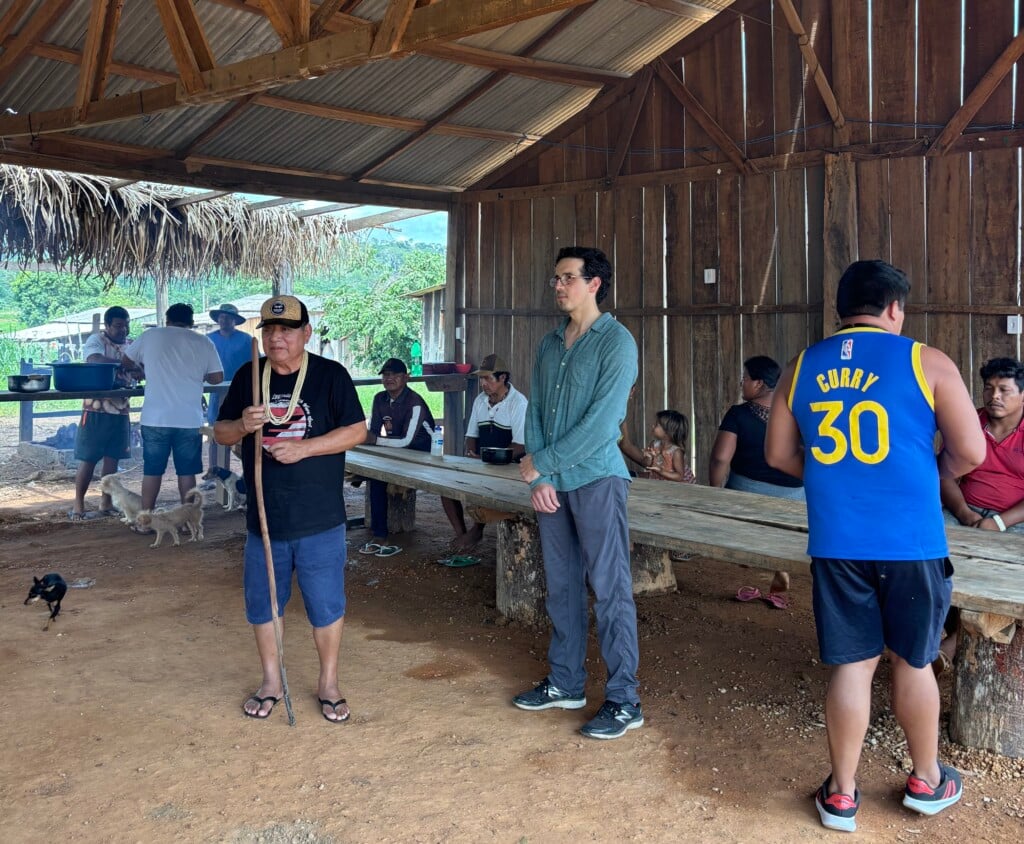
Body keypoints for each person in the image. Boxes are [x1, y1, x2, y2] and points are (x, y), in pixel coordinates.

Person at [765, 259, 985, 832]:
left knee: (853, 665)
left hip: (838, 541)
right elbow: (972, 453)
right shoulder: (925, 361)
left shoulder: (802, 366)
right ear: (894, 308)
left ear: (842, 309)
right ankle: (927, 781)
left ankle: (841, 795)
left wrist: (836, 474)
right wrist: (924, 465)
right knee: (913, 662)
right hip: (912, 541)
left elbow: (779, 458)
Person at [214, 295, 367, 722]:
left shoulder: (330, 376)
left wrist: (305, 449)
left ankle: (329, 682)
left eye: (287, 329)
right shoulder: (250, 375)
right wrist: (243, 424)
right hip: (265, 518)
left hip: (319, 517)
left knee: (326, 604)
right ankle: (271, 681)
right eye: (269, 329)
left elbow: (356, 431)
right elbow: (221, 433)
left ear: (306, 333)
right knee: (264, 603)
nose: (276, 337)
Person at [514, 245, 642, 741]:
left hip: (598, 479)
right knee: (562, 585)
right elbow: (537, 412)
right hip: (554, 486)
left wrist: (540, 463)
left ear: (595, 284)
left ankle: (624, 700)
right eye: (556, 279)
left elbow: (603, 424)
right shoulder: (549, 344)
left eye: (568, 278)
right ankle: (566, 682)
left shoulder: (617, 343)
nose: (559, 286)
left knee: (610, 589)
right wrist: (542, 477)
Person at [709, 355, 803, 607]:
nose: (742, 383)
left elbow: (720, 459)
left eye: (745, 379)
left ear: (759, 383)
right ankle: (778, 575)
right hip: (795, 499)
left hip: (746, 496)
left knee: (741, 532)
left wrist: (715, 493)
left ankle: (750, 579)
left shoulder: (739, 414)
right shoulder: (798, 413)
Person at [123, 303, 224, 512]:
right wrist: (196, 374)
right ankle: (187, 520)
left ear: (167, 320)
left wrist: (144, 369)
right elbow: (217, 377)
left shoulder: (151, 335)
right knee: (186, 473)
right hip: (189, 419)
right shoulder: (203, 341)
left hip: (155, 418)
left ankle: (145, 519)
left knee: (152, 471)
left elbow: (125, 360)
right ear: (192, 323)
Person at [441, 353, 528, 549]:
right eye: (481, 378)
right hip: (483, 464)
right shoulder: (480, 401)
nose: (483, 383)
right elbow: (471, 435)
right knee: (444, 487)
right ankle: (464, 534)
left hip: (510, 468)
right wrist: (472, 455)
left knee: (486, 492)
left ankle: (476, 530)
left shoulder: (518, 403)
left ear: (503, 378)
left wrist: (490, 459)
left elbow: (520, 446)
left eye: (488, 378)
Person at [360, 357, 435, 558]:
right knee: (375, 476)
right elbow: (374, 431)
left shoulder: (415, 402)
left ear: (406, 377)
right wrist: (369, 440)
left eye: (394, 375)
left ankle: (381, 534)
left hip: (420, 455)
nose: (389, 378)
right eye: (385, 375)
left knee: (381, 475)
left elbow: (407, 441)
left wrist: (374, 440)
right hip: (396, 452)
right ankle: (380, 535)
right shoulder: (379, 399)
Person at [69, 306, 139, 520]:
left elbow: (141, 369)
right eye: (118, 326)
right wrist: (125, 364)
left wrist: (134, 368)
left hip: (121, 409)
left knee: (113, 459)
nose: (123, 330)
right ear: (107, 326)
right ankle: (78, 505)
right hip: (95, 409)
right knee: (88, 458)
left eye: (126, 325)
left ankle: (105, 503)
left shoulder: (132, 344)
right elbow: (94, 360)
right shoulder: (96, 340)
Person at [940, 357, 1024, 534]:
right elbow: (945, 476)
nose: (994, 396)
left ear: (1022, 395)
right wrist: (965, 515)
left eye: (1004, 390)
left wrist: (999, 523)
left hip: (1016, 519)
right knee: (931, 539)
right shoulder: (969, 423)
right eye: (988, 388)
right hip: (964, 511)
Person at [206, 303, 251, 468]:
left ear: (235, 320)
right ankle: (214, 472)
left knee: (243, 431)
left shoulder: (246, 340)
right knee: (215, 432)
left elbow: (254, 364)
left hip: (240, 391)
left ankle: (247, 473)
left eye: (229, 317)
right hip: (215, 392)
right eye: (222, 317)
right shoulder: (208, 339)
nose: (225, 320)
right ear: (218, 319)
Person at [639, 409, 696, 482]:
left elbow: (679, 477)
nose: (653, 426)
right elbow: (647, 465)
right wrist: (649, 457)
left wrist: (661, 471)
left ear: (667, 431)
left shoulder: (676, 452)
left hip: (678, 486)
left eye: (657, 425)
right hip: (661, 482)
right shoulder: (654, 444)